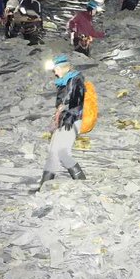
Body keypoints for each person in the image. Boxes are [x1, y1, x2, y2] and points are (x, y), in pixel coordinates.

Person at [36, 54, 87, 191]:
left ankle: (81, 182)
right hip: (64, 119)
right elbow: (62, 103)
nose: (55, 72)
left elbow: (77, 102)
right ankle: (43, 186)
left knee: (63, 153)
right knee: (53, 152)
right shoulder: (64, 81)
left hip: (71, 120)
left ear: (63, 68)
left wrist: (69, 117)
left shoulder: (75, 80)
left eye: (56, 69)